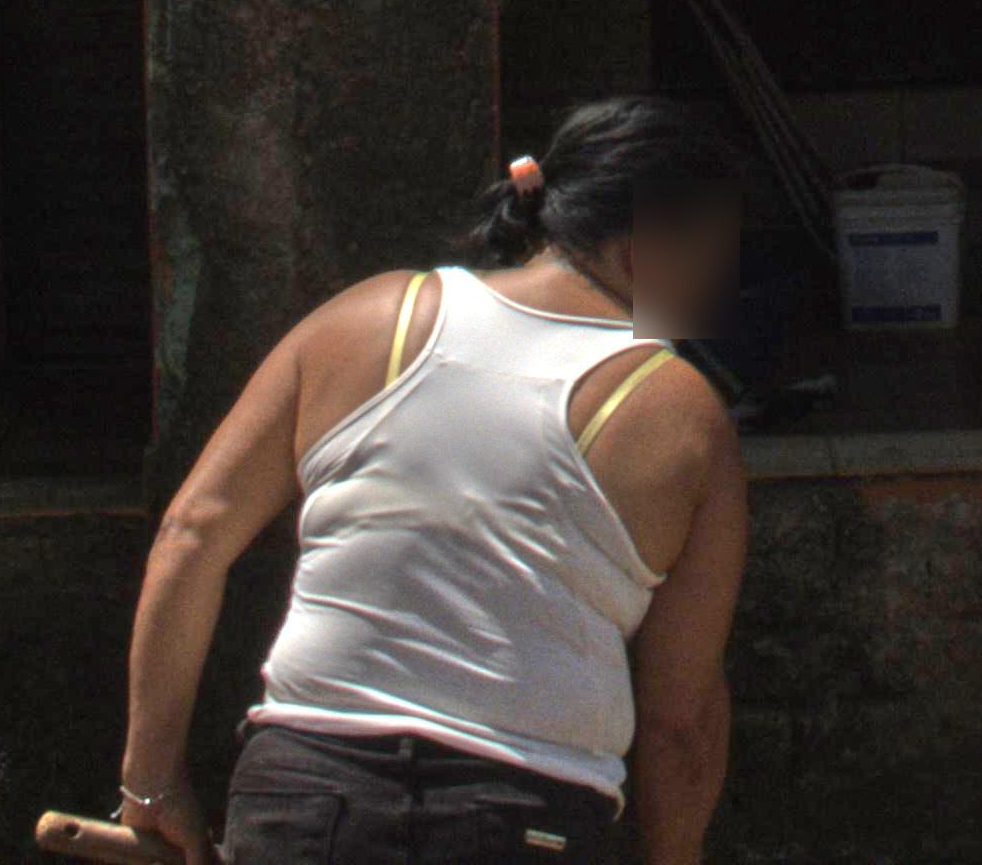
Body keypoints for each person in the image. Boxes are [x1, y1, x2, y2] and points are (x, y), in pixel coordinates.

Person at [110, 97, 754, 865]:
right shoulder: (681, 415)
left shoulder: (364, 318)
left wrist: (150, 781)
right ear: (649, 245)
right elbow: (682, 721)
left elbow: (192, 535)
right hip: (523, 821)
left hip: (304, 805)